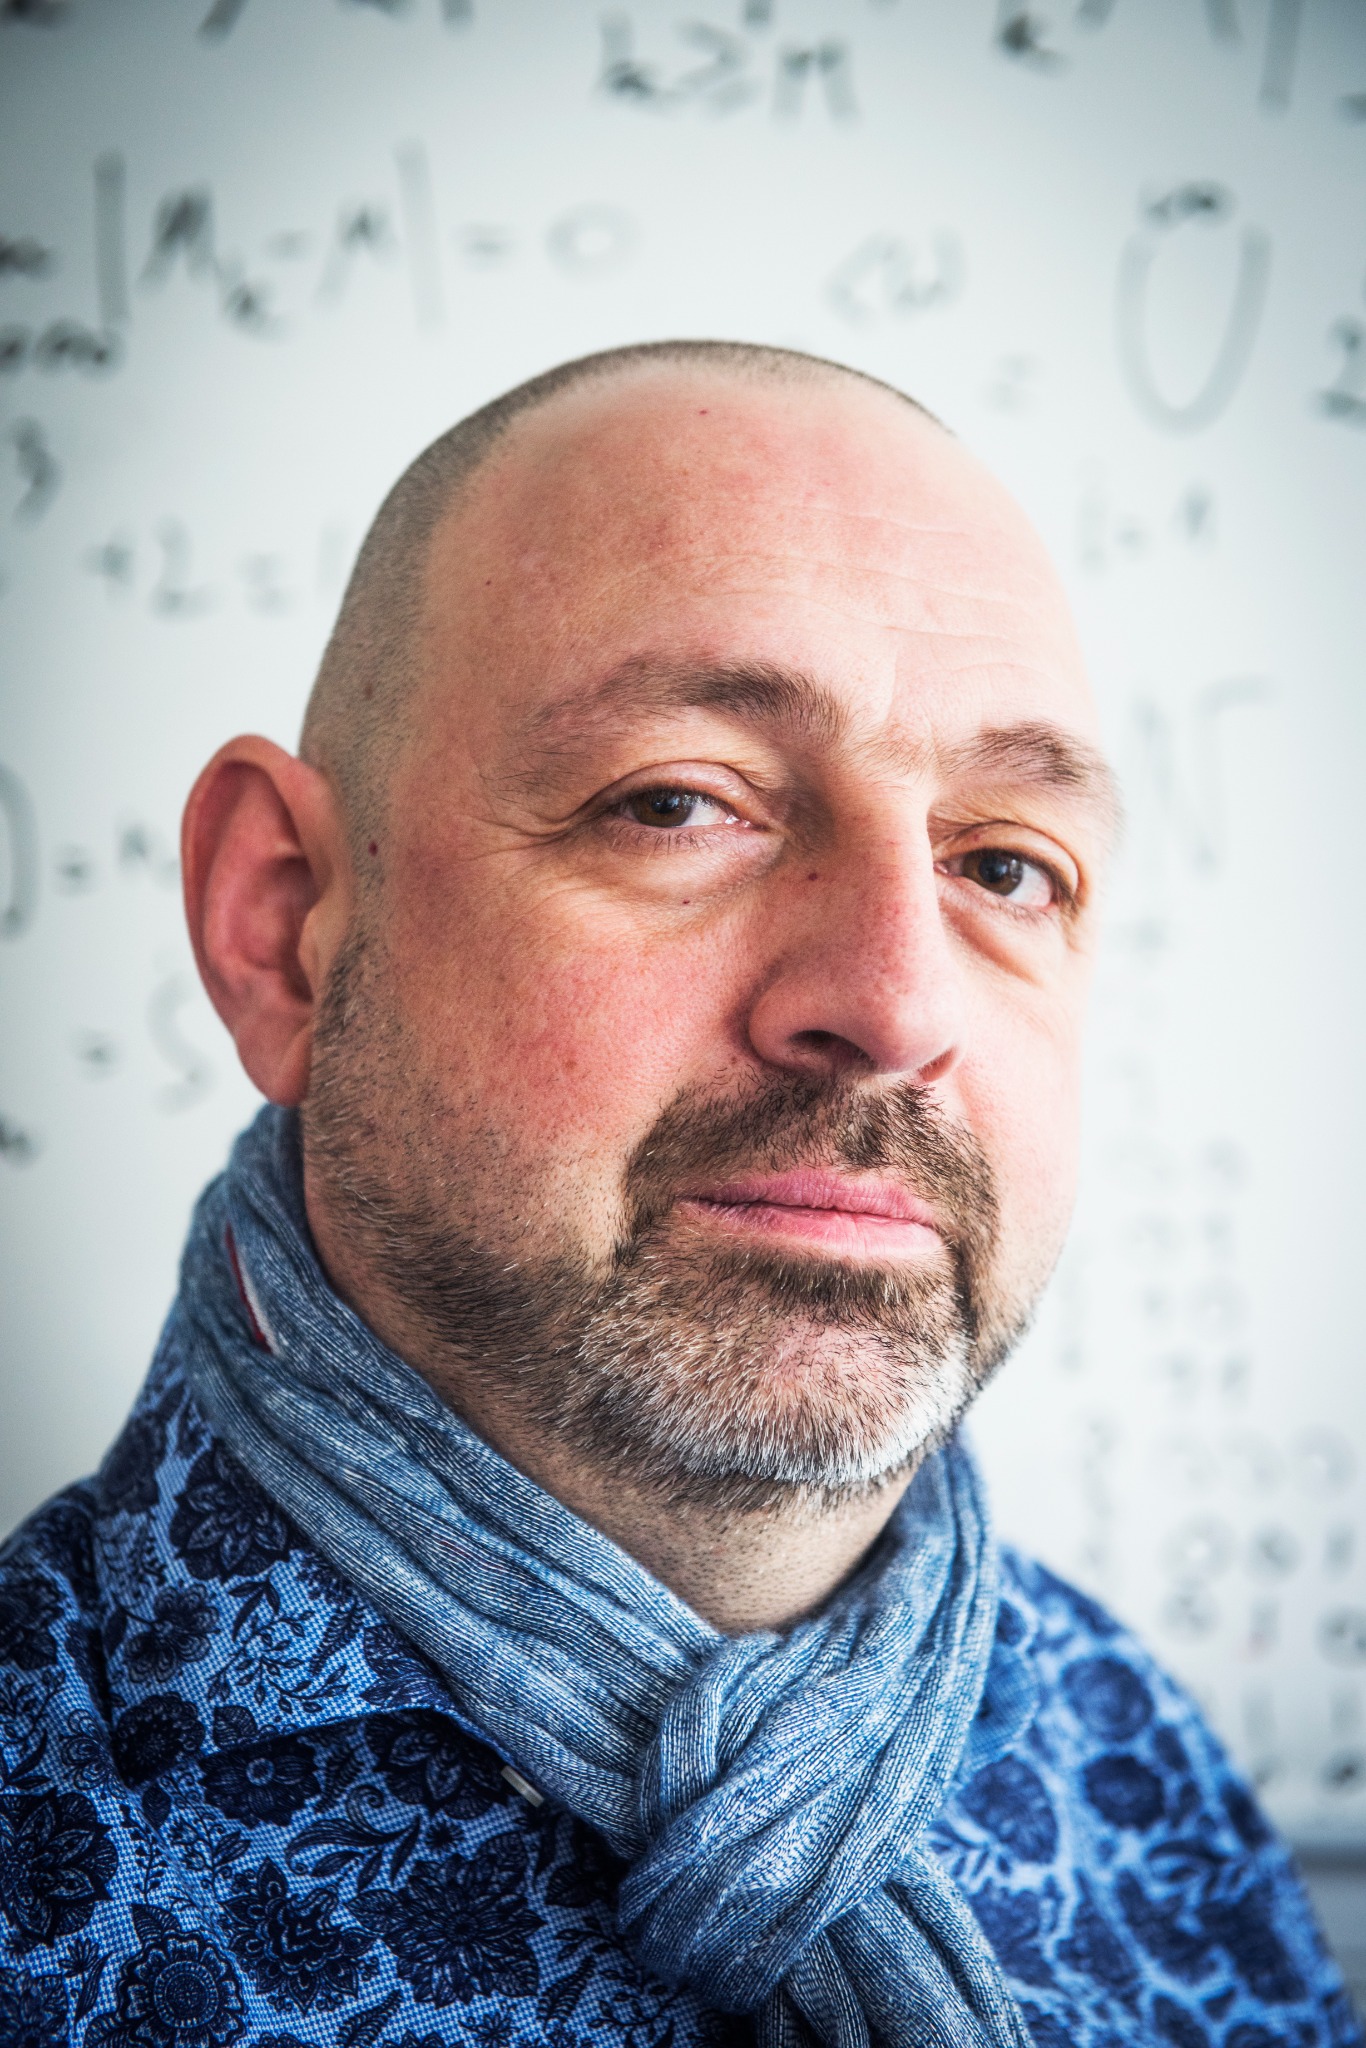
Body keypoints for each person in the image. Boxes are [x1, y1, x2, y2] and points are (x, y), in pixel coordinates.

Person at [0, 341, 1356, 2048]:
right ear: (282, 926)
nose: (898, 1003)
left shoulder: (1153, 1790)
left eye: (1004, 865)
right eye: (675, 805)